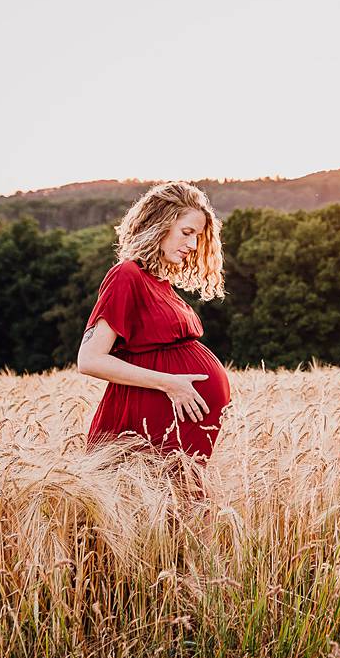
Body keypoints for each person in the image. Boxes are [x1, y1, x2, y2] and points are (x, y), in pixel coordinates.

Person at [78, 181, 231, 487]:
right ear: (159, 223)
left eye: (198, 237)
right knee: (149, 514)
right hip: (146, 426)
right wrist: (170, 383)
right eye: (186, 232)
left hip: (174, 430)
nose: (192, 245)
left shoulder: (158, 281)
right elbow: (90, 359)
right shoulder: (126, 276)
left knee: (177, 521)